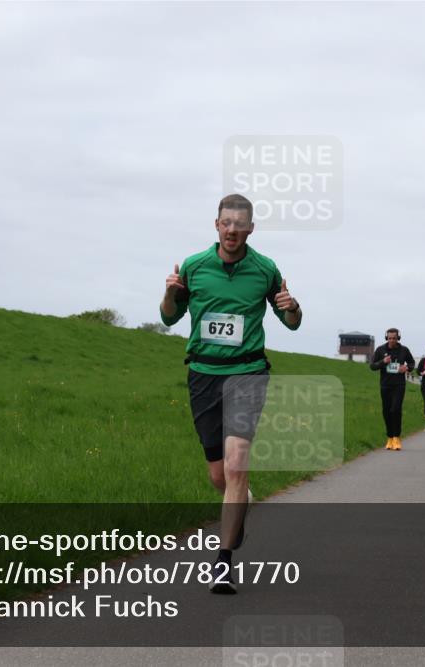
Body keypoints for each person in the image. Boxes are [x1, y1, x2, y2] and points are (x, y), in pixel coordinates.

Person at [160, 193, 302, 594]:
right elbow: (169, 317)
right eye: (226, 223)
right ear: (217, 224)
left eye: (240, 225)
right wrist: (171, 292)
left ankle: (222, 562)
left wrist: (292, 307)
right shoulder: (193, 266)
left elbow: (291, 323)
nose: (233, 230)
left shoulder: (265, 269)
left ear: (251, 229)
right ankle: (239, 507)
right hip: (204, 373)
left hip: (248, 372)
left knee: (237, 465)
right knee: (218, 475)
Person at [370, 328, 416, 450]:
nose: (392, 340)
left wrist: (406, 368)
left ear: (398, 338)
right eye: (389, 338)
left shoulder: (404, 350)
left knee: (395, 410)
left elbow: (412, 363)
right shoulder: (381, 350)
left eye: (394, 338)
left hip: (399, 385)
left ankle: (396, 437)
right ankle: (389, 437)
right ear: (386, 338)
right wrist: (382, 362)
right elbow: (372, 366)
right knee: (386, 411)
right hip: (385, 385)